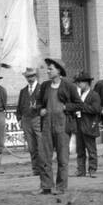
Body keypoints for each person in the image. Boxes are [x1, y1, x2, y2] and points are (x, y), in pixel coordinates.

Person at [37, 58, 80, 195]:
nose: (48, 71)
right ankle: (46, 186)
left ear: (59, 70)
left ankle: (61, 187)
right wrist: (40, 110)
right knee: (44, 157)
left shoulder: (69, 86)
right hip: (47, 126)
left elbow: (79, 104)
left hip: (63, 126)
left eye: (50, 69)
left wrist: (66, 107)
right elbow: (39, 104)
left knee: (62, 158)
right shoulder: (44, 86)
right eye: (48, 69)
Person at [15, 67, 46, 178]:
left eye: (32, 76)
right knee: (32, 147)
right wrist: (19, 119)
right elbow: (19, 107)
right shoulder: (23, 91)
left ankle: (43, 168)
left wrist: (38, 108)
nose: (30, 78)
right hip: (26, 120)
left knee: (41, 145)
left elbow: (45, 104)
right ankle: (35, 169)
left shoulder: (42, 88)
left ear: (36, 76)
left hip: (38, 119)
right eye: (28, 76)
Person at [73, 72, 101, 177]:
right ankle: (81, 170)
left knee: (91, 149)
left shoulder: (94, 95)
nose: (78, 85)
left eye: (80, 82)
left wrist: (81, 107)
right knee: (80, 149)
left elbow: (96, 109)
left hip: (89, 124)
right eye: (78, 83)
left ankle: (92, 169)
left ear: (87, 83)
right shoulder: (79, 95)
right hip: (79, 123)